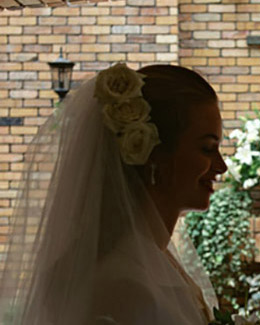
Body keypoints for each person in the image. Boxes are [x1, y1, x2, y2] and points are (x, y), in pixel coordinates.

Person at [0, 63, 227, 324]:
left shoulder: (155, 260)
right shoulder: (126, 286)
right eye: (207, 149)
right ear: (154, 155)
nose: (221, 166)